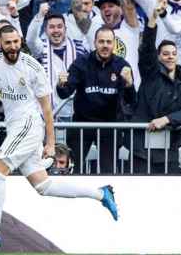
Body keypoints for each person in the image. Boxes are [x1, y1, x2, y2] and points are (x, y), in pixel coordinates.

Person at [0, 25, 118, 250]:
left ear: (20, 40)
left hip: (29, 124)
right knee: (43, 185)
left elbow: (46, 108)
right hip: (14, 126)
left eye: (16, 42)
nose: (13, 46)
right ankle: (100, 194)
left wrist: (51, 143)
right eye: (8, 43)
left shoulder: (32, 67)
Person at [56, 26, 136, 173]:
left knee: (109, 171)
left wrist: (130, 84)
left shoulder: (122, 66)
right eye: (101, 42)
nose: (105, 45)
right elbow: (64, 93)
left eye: (108, 42)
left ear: (114, 44)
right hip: (82, 125)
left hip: (110, 127)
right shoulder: (81, 63)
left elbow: (131, 102)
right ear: (95, 43)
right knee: (72, 170)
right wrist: (61, 85)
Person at [132, 0, 181, 174]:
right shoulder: (151, 72)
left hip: (171, 150)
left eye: (174, 54)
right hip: (142, 150)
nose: (170, 57)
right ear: (159, 57)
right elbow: (146, 50)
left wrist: (167, 119)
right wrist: (152, 20)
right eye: (166, 54)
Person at [26, 10, 87, 119]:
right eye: (52, 27)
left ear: (65, 29)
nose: (56, 30)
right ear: (45, 30)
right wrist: (40, 16)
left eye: (59, 27)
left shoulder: (78, 48)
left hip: (73, 113)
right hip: (45, 114)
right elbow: (30, 40)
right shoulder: (40, 48)